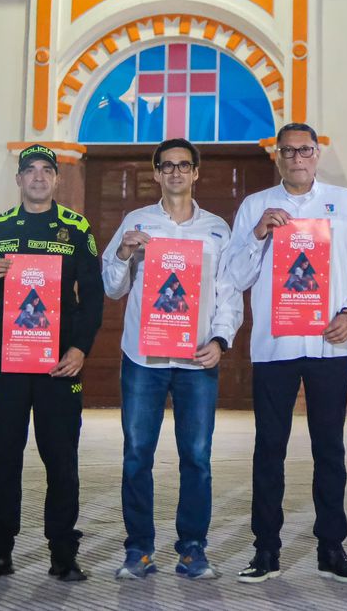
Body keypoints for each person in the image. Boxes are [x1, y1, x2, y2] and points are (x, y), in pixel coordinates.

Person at [225, 122, 347, 584]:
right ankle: (265, 549)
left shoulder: (346, 203)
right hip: (275, 346)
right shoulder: (254, 206)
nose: (296, 158)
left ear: (317, 153)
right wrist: (257, 235)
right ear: (277, 157)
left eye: (304, 150)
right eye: (287, 152)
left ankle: (332, 547)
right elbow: (235, 276)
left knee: (330, 448)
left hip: (331, 345)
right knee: (269, 449)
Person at [100, 138, 242, 581]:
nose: (176, 172)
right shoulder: (136, 221)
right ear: (157, 173)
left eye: (184, 165)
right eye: (167, 166)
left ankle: (193, 549)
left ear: (196, 172)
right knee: (137, 455)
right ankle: (138, 549)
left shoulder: (218, 228)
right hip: (144, 359)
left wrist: (220, 340)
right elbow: (111, 286)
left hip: (197, 359)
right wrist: (124, 253)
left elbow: (229, 291)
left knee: (197, 456)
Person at [0, 144, 103, 584]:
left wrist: (80, 349)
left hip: (59, 365)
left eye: (47, 170)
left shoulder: (75, 228)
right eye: (31, 171)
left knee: (61, 461)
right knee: (2, 459)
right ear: (19, 179)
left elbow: (93, 297)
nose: (39, 177)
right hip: (8, 363)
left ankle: (63, 554)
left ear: (57, 179)